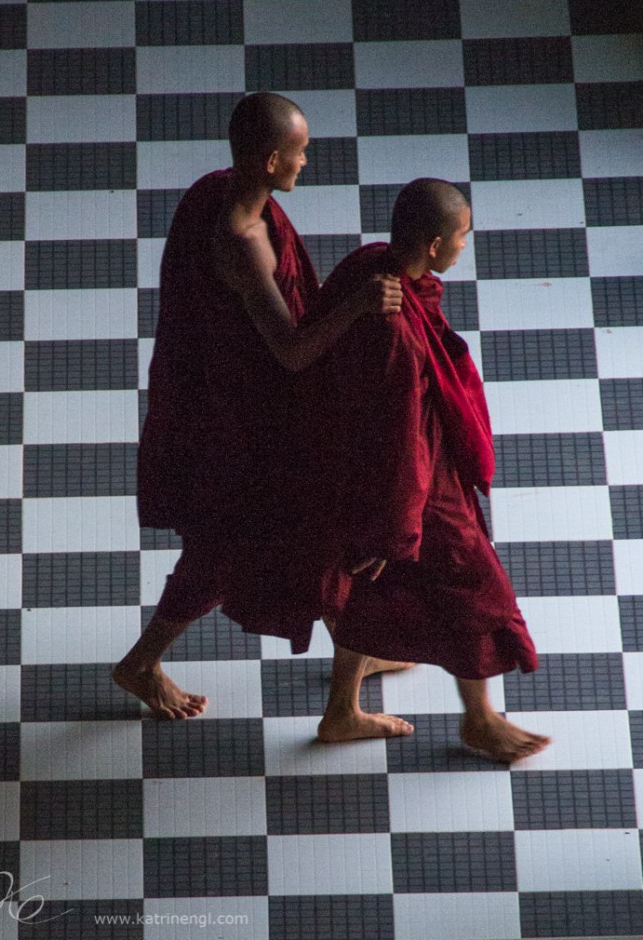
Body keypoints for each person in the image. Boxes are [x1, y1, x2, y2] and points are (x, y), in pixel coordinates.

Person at [113, 92, 402, 719]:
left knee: (309, 535)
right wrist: (357, 305)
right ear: (271, 160)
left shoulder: (218, 187)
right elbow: (293, 353)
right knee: (235, 548)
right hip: (246, 425)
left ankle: (356, 648)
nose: (307, 161)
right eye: (299, 152)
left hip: (231, 401)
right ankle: (141, 664)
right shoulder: (243, 241)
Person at [301, 178, 550, 762]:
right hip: (411, 487)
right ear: (435, 245)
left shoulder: (371, 265)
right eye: (462, 236)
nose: (465, 246)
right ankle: (481, 721)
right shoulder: (392, 329)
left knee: (373, 584)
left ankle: (342, 709)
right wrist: (396, 526)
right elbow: (400, 436)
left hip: (372, 471)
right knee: (475, 589)